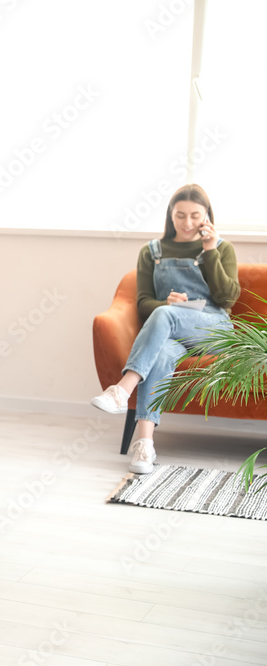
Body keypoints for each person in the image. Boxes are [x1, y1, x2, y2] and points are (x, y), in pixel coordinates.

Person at [91, 184, 240, 474]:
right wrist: (166, 302)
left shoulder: (223, 247)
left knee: (165, 315)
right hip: (173, 330)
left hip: (213, 328)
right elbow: (143, 304)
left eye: (196, 216)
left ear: (207, 215)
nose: (187, 223)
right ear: (170, 216)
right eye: (180, 215)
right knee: (160, 347)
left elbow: (226, 299)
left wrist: (209, 251)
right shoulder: (151, 252)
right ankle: (144, 445)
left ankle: (122, 390)